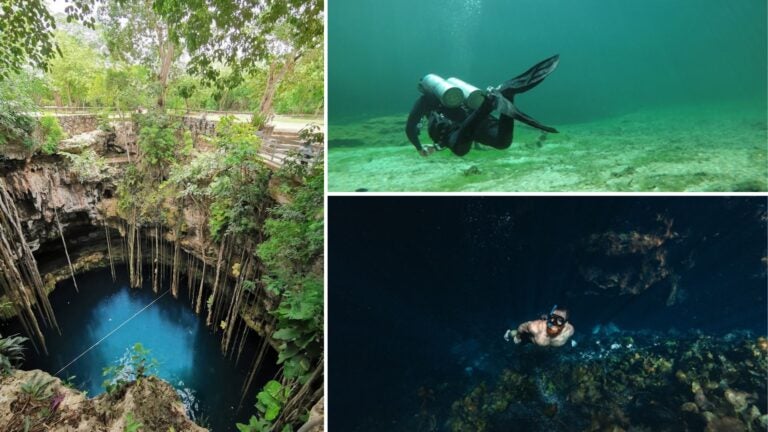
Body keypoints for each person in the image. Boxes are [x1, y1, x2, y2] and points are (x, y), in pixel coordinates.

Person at [405, 55, 560, 157]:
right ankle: (507, 95)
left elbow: (410, 127)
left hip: (455, 131)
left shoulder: (425, 100)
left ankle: (489, 103)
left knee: (460, 150)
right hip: (477, 119)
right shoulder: (457, 93)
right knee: (502, 143)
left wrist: (419, 148)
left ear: (424, 88)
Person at [504, 305, 574, 347]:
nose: (554, 323)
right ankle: (508, 332)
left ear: (565, 323)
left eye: (560, 320)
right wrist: (518, 336)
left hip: (545, 344)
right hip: (530, 339)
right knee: (518, 340)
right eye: (553, 317)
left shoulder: (570, 330)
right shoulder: (535, 327)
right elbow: (522, 327)